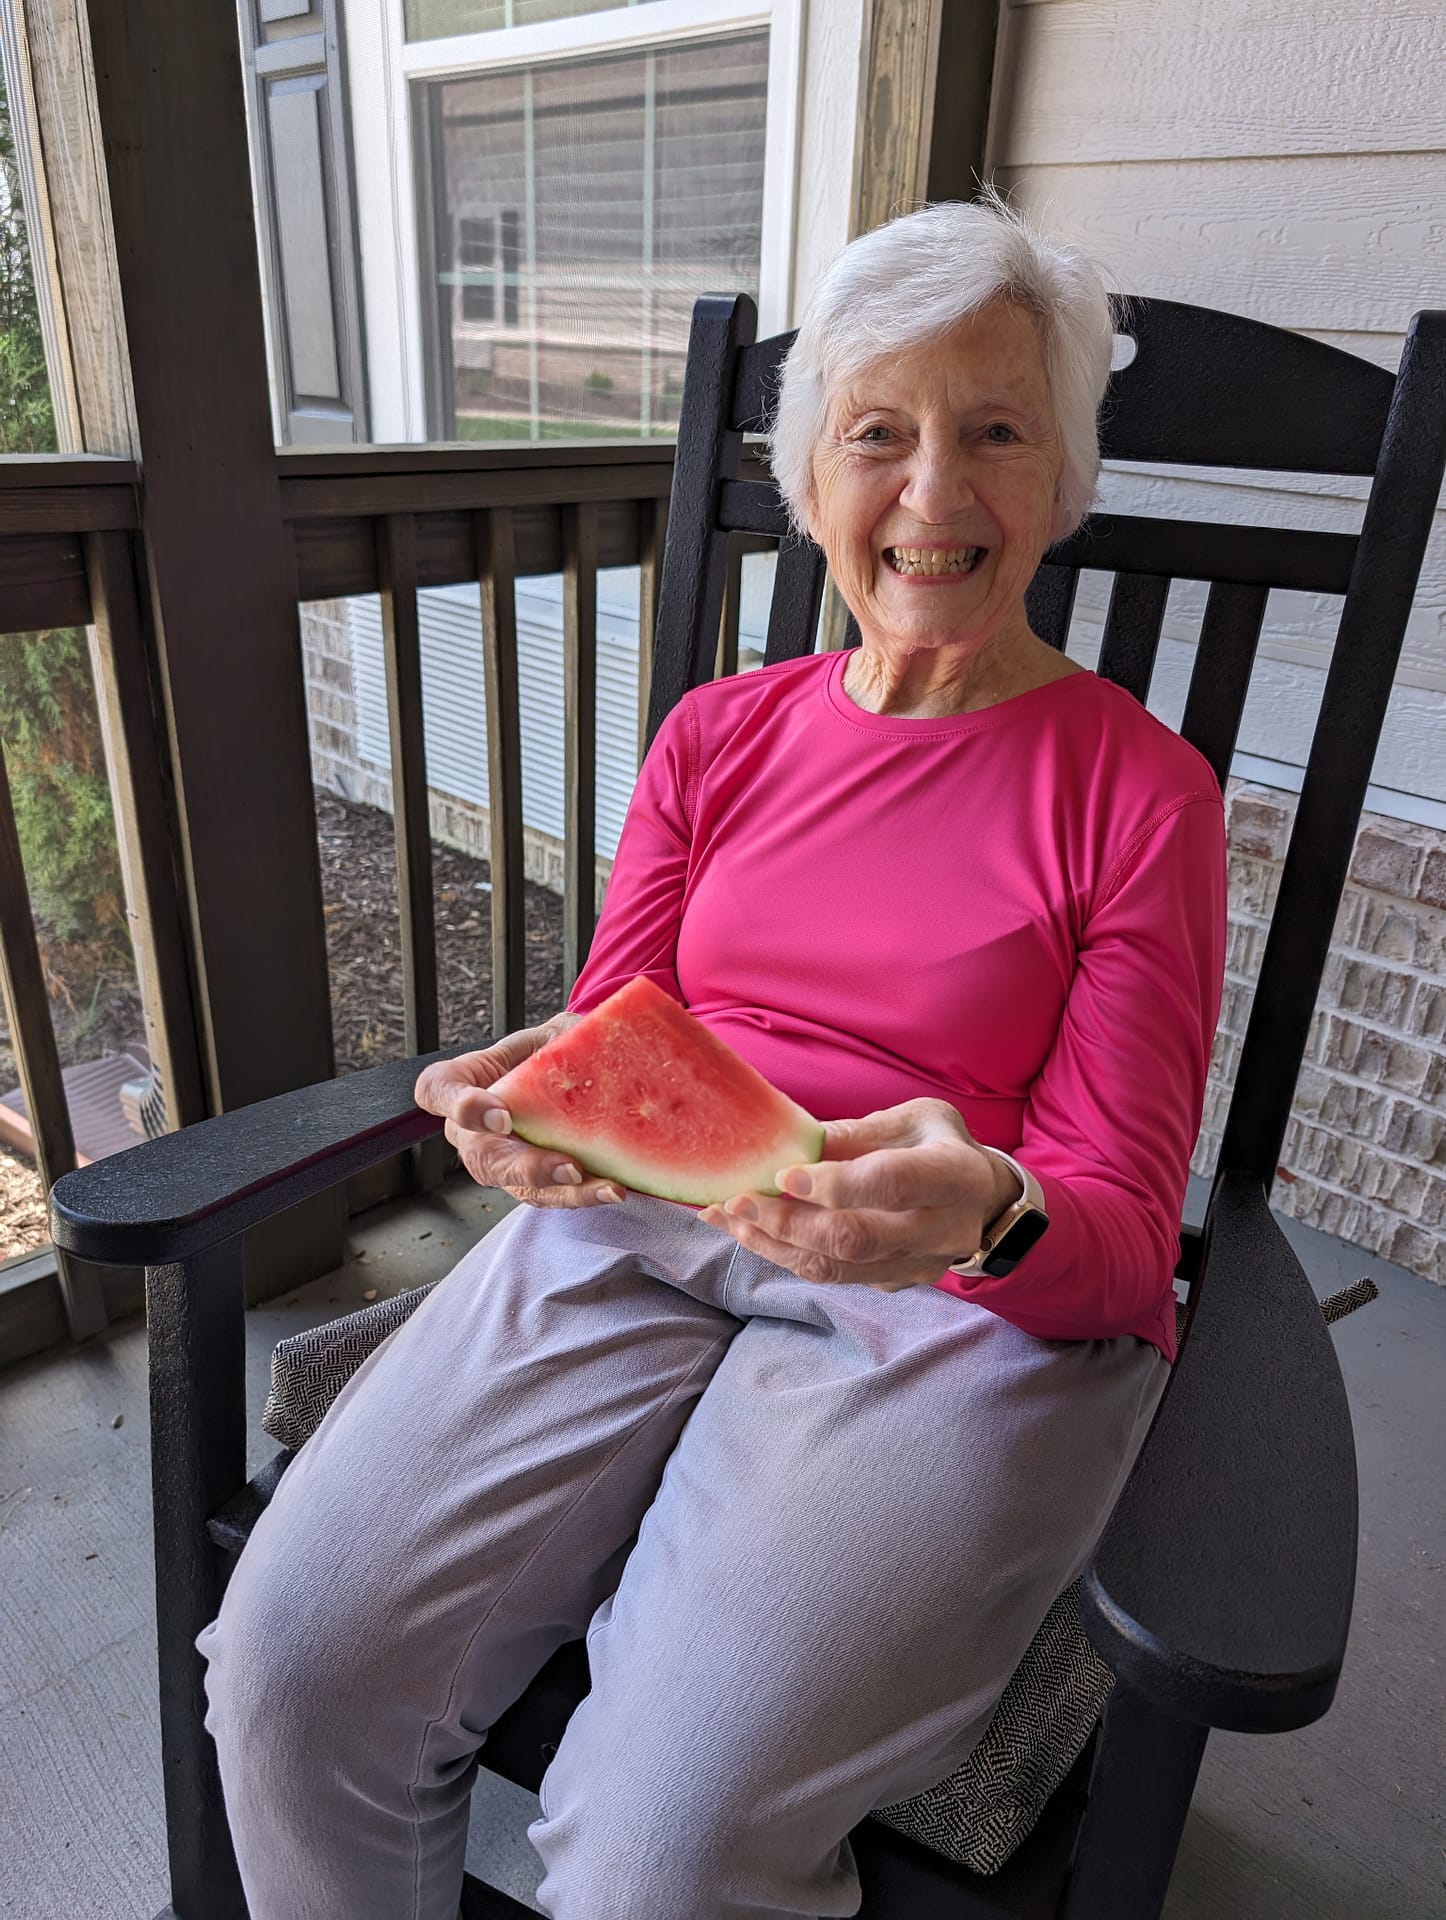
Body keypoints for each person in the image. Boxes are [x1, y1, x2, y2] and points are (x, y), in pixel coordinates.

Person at [197, 196, 1227, 1920]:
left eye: (993, 433)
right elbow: (623, 1036)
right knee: (288, 1677)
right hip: (629, 1244)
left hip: (955, 1312)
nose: (930, 495)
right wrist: (534, 1127)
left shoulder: (1140, 795)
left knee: (662, 1855)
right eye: (875, 433)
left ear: (1062, 480)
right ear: (806, 471)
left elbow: (1120, 1237)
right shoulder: (715, 738)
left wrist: (980, 1215)